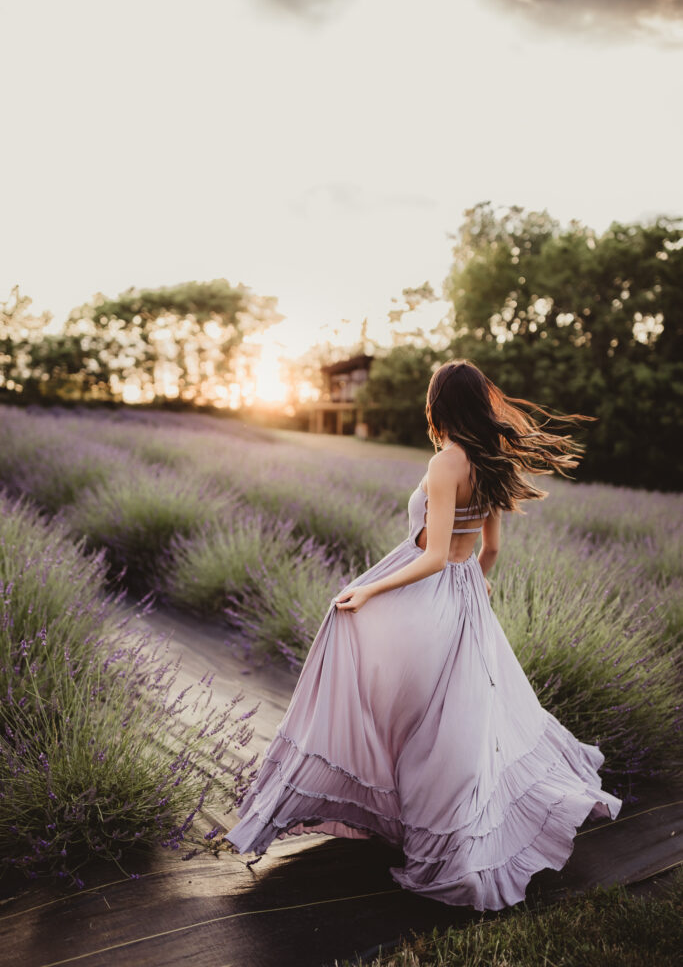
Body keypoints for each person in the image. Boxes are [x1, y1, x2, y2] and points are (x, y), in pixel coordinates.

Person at [223, 359, 622, 911]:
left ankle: (387, 812)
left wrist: (371, 590)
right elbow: (492, 550)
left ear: (439, 405)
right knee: (454, 720)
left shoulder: (446, 463)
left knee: (383, 682)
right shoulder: (490, 460)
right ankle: (434, 822)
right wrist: (477, 584)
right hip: (464, 597)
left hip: (431, 595)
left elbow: (432, 555)